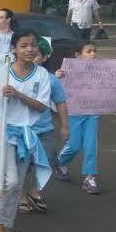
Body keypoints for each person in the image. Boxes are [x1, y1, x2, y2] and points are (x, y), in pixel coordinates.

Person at [0, 29, 52, 232]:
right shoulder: (2, 72)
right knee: (10, 181)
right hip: (5, 131)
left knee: (18, 186)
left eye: (33, 45)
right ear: (14, 48)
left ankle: (8, 226)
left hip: (28, 134)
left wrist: (18, 94)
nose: (29, 49)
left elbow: (41, 106)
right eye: (24, 45)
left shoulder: (42, 74)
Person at [19, 37, 68, 214]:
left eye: (37, 53)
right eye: (26, 47)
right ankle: (22, 195)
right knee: (23, 165)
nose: (32, 53)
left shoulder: (50, 79)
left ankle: (35, 191)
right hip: (22, 130)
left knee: (47, 162)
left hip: (44, 130)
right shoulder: (15, 74)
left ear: (45, 57)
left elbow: (61, 102)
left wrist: (64, 126)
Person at [55, 41, 102, 194]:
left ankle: (90, 177)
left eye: (95, 51)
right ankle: (59, 163)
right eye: (89, 51)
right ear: (78, 55)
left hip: (92, 113)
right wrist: (58, 77)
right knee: (74, 145)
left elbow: (111, 87)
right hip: (74, 113)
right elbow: (55, 89)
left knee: (90, 145)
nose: (93, 54)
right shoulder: (66, 71)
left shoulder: (102, 71)